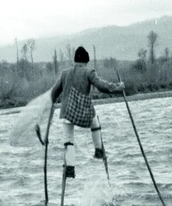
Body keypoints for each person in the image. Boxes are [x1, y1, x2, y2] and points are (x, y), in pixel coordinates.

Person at [51, 46, 125, 179]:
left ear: (75, 61)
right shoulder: (88, 72)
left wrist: (49, 104)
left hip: (67, 113)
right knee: (95, 121)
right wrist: (118, 88)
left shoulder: (64, 73)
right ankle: (98, 150)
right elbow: (102, 86)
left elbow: (53, 93)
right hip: (83, 113)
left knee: (68, 140)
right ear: (86, 61)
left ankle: (70, 167)